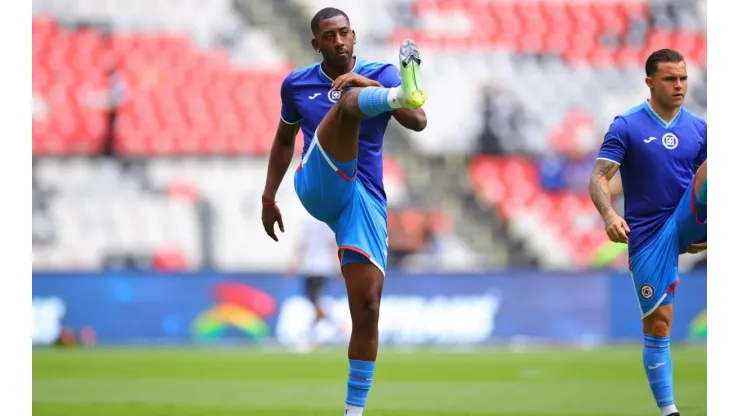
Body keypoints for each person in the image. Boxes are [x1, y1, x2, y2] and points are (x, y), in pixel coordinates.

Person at [259, 7, 427, 416]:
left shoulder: (381, 71)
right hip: (318, 181)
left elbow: (419, 121)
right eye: (329, 36)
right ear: (316, 44)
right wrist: (268, 198)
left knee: (367, 308)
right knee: (350, 99)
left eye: (344, 33)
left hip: (363, 198)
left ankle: (354, 413)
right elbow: (283, 142)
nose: (339, 41)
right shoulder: (297, 85)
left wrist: (370, 83)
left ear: (354, 36)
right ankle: (394, 94)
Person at [588, 49, 707, 416]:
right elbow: (599, 177)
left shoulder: (700, 129)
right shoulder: (627, 124)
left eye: (684, 78)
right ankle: (669, 411)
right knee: (659, 324)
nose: (679, 86)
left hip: (685, 217)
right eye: (671, 79)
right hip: (649, 234)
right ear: (650, 82)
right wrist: (609, 215)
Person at [293, 214, 340, 349]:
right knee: (314, 299)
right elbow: (333, 244)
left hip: (313, 265)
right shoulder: (328, 221)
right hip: (322, 266)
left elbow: (301, 244)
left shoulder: (307, 221)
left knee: (313, 298)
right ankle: (326, 323)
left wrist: (295, 263)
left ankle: (327, 325)